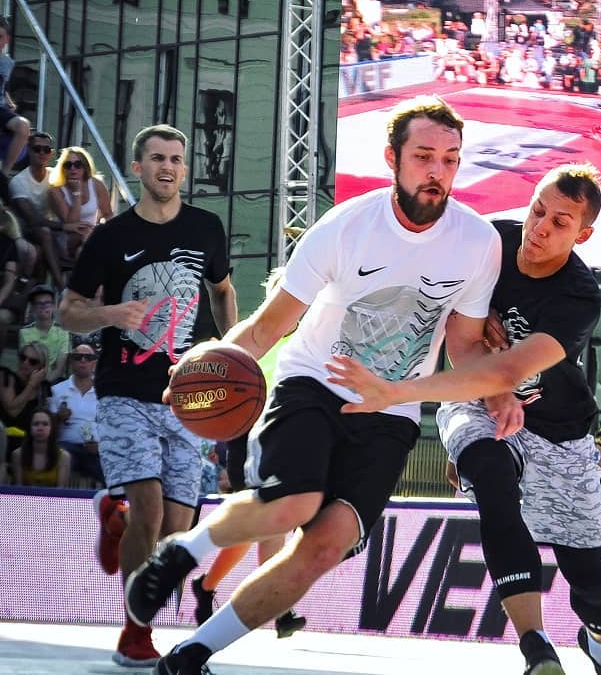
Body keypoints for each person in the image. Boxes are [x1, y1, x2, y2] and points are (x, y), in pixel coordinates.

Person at [123, 96, 501, 675]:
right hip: (315, 383)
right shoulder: (345, 227)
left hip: (392, 409)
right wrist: (202, 367)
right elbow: (268, 326)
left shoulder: (477, 241)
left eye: (450, 159)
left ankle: (192, 653)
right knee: (291, 504)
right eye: (424, 156)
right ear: (392, 159)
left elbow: (465, 342)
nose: (438, 171)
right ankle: (185, 551)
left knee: (324, 547)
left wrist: (499, 386)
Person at [326, 163, 601, 675]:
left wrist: (497, 384)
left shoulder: (578, 297)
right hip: (476, 398)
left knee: (589, 574)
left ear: (582, 235)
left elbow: (511, 369)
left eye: (560, 223)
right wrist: (481, 414)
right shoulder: (489, 244)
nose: (540, 227)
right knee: (493, 480)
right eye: (538, 210)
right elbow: (462, 339)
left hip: (556, 429)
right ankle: (536, 648)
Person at [58, 123, 238, 667]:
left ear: (184, 168)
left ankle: (115, 517)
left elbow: (222, 290)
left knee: (177, 528)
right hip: (123, 391)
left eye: (176, 159)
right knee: (151, 508)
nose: (168, 167)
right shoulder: (110, 237)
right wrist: (111, 313)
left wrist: (230, 351)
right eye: (157, 158)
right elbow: (68, 311)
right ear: (138, 167)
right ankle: (135, 633)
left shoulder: (206, 227)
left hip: (186, 396)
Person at [189, 268, 305, 639]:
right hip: (247, 437)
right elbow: (215, 381)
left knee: (265, 525)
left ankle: (212, 588)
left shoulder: (308, 341)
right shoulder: (250, 338)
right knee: (263, 523)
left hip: (287, 438)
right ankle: (276, 607)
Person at [9, 131, 64, 286]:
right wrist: (64, 226)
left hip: (51, 230)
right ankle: (60, 284)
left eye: (46, 149)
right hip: (25, 231)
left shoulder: (55, 176)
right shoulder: (18, 181)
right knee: (44, 233)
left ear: (51, 153)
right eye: (37, 149)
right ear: (29, 150)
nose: (42, 153)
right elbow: (32, 219)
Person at [46, 343, 104, 484]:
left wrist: (102, 447)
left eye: (88, 357)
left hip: (95, 449)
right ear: (71, 361)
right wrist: (57, 418)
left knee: (113, 474)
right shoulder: (56, 390)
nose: (83, 360)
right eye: (78, 357)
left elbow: (111, 427)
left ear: (95, 363)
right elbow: (46, 428)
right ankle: (57, 497)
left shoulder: (104, 392)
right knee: (62, 459)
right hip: (66, 446)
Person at [46, 145, 113, 264]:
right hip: (68, 239)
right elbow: (71, 223)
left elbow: (108, 214)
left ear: (85, 167)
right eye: (68, 165)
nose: (73, 168)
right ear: (62, 169)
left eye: (78, 164)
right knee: (87, 241)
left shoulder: (96, 184)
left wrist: (99, 229)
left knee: (82, 251)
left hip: (90, 235)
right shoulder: (56, 190)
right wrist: (77, 193)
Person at [0, 340, 52, 457]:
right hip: (5, 437)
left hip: (29, 441)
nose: (25, 363)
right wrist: (31, 385)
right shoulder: (6, 377)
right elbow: (13, 411)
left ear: (41, 367)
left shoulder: (43, 387)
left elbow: (41, 417)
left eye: (32, 361)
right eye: (23, 357)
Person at [19, 284, 71, 382]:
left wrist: (43, 385)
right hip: (29, 380)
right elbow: (24, 365)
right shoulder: (24, 332)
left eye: (47, 303)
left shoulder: (63, 333)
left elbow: (59, 370)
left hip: (52, 382)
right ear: (33, 308)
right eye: (39, 303)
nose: (43, 307)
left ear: (54, 306)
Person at [0, 17, 30, 175]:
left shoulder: (6, 63)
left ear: (7, 39)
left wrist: (9, 101)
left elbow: (2, 87)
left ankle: (4, 173)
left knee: (23, 126)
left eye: (0, 37)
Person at [10, 406, 70, 486]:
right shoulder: (18, 454)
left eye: (45, 424)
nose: (40, 428)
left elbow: (61, 490)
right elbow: (18, 489)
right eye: (36, 424)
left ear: (52, 428)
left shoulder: (63, 456)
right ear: (29, 428)